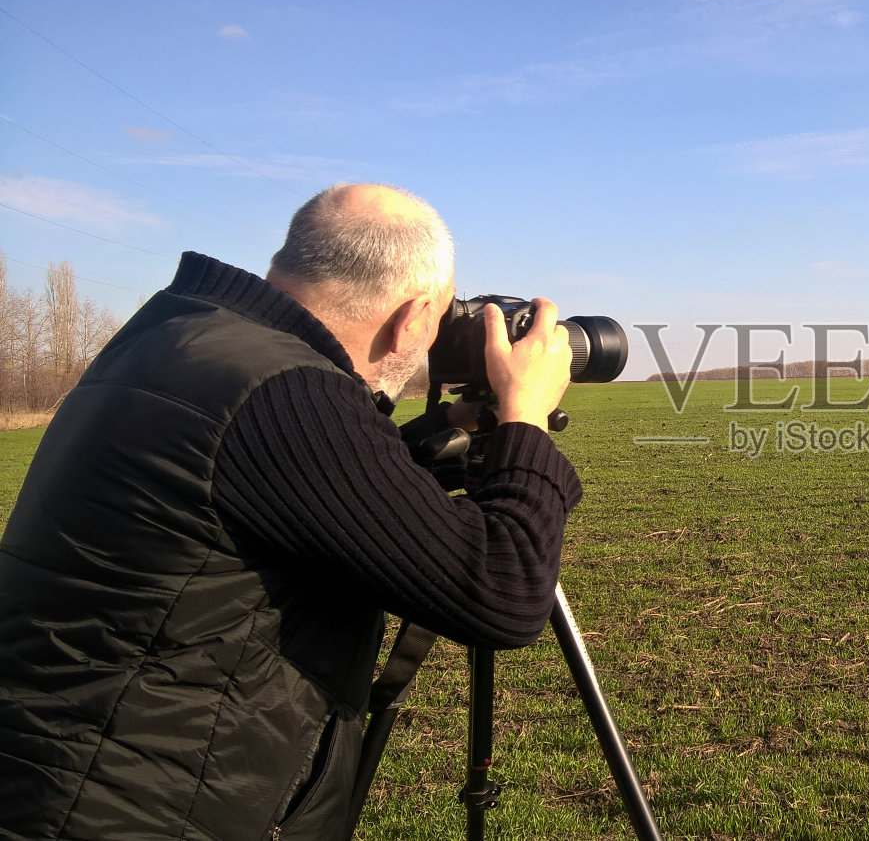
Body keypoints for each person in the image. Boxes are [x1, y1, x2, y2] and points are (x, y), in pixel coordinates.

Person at [0, 184, 580, 840]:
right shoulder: (287, 390)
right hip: (141, 808)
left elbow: (301, 492)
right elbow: (502, 593)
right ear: (415, 315)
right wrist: (524, 419)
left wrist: (447, 424)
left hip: (58, 778)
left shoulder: (184, 338)